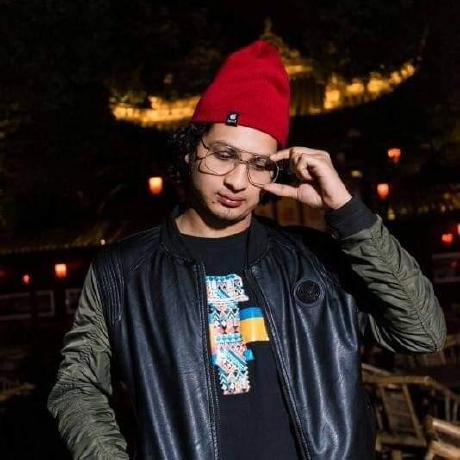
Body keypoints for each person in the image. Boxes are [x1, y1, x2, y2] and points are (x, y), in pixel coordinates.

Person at [48, 40, 446, 460]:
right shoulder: (124, 272)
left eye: (259, 165)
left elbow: (423, 332)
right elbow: (77, 386)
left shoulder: (317, 260)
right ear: (190, 150)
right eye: (224, 155)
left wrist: (346, 211)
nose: (238, 181)